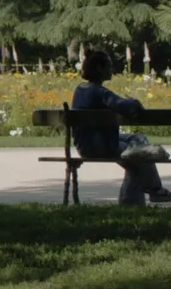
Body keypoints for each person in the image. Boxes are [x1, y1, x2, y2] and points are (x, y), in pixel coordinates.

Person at [72, 50, 171, 206]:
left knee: (139, 140)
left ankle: (153, 191)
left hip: (85, 144)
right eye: (109, 66)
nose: (112, 69)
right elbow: (126, 106)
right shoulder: (99, 92)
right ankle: (152, 191)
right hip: (102, 146)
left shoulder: (80, 90)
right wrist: (135, 102)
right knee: (140, 157)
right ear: (99, 67)